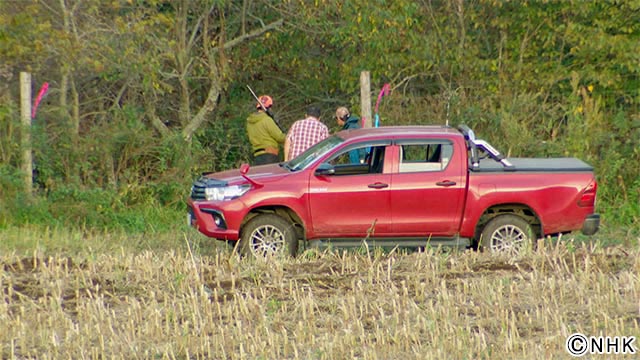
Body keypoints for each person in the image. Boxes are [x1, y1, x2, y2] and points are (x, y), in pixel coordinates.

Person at [246, 95, 286, 165]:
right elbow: (279, 137)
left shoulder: (249, 122)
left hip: (257, 156)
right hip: (270, 156)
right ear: (269, 107)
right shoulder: (267, 120)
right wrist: (289, 137)